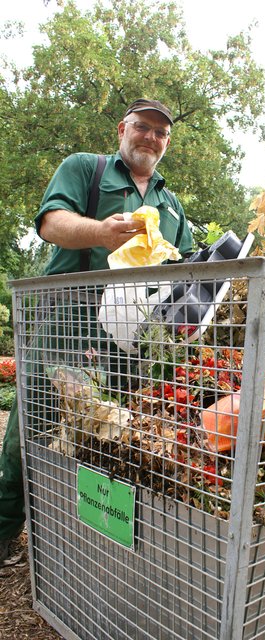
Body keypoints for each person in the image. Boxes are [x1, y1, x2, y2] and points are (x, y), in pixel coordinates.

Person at [0, 98, 193, 564]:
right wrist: (101, 233)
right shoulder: (86, 168)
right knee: (36, 420)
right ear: (123, 129)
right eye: (143, 128)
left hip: (134, 332)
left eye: (161, 133)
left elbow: (185, 269)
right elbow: (51, 224)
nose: (151, 138)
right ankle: (3, 530)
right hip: (70, 315)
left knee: (124, 427)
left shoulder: (170, 203)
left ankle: (99, 540)